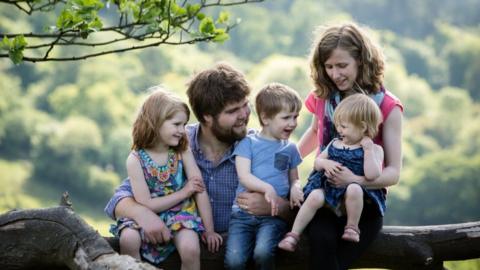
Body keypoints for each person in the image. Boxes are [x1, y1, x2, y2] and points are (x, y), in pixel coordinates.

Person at [104, 63, 293, 262]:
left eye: (245, 105)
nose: (244, 114)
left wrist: (277, 207)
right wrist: (143, 214)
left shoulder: (260, 148)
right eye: (233, 111)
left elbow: (298, 212)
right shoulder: (176, 144)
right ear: (207, 117)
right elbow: (120, 198)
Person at [297, 22, 403, 269]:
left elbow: (393, 173)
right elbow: (314, 133)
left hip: (365, 202)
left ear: (361, 62)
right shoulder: (324, 96)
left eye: (342, 65)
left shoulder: (387, 106)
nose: (335, 74)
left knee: (340, 258)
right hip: (325, 197)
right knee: (320, 241)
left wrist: (354, 180)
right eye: (329, 66)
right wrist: (283, 164)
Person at [109, 87, 222, 269]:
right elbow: (145, 204)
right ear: (156, 122)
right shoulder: (135, 160)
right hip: (148, 213)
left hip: (180, 214)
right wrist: (184, 192)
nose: (182, 131)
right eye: (177, 124)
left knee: (191, 249)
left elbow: (200, 190)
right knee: (129, 240)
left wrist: (209, 231)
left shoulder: (181, 151)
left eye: (184, 125)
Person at [278, 94, 384, 252]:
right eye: (338, 125)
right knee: (314, 196)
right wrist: (326, 163)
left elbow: (372, 175)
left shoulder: (374, 149)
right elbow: (317, 162)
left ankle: (352, 227)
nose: (339, 130)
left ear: (362, 127)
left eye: (344, 126)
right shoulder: (335, 143)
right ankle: (293, 235)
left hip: (352, 197)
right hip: (328, 190)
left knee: (354, 188)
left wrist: (368, 150)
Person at [224, 83, 303, 270]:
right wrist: (267, 188)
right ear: (265, 118)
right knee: (234, 261)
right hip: (242, 216)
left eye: (295, 117)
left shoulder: (290, 148)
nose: (292, 123)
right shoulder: (248, 143)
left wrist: (295, 188)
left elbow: (295, 177)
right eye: (286, 117)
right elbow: (244, 176)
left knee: (264, 253)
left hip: (272, 217)